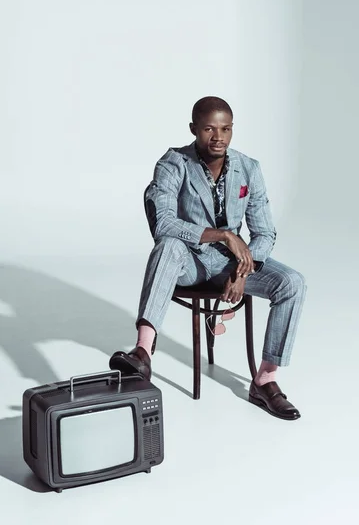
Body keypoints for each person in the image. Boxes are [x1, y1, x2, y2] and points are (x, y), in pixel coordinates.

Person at [109, 96, 307, 420]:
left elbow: (265, 233)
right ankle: (143, 352)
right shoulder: (173, 163)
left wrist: (244, 270)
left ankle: (265, 380)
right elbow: (164, 223)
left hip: (233, 265)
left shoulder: (249, 169)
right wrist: (224, 234)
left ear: (232, 130)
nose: (218, 137)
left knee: (293, 283)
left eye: (226, 129)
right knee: (168, 246)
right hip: (190, 261)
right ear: (194, 130)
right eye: (209, 129)